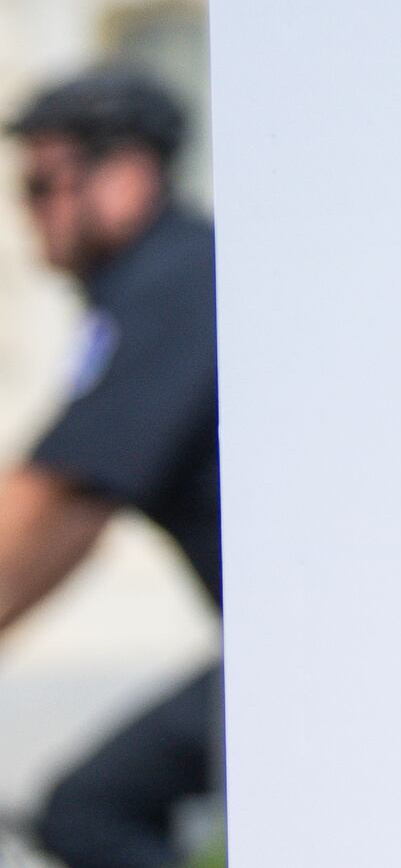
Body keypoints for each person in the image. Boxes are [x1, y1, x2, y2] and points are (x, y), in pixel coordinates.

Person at [0, 70, 217, 868]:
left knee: (91, 812)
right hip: (299, 645)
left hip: (328, 650)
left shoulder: (177, 286)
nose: (28, 214)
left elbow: (55, 502)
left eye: (40, 184)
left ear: (127, 177)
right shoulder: (172, 283)